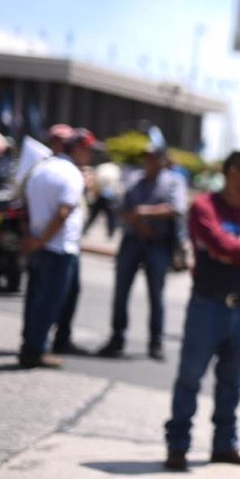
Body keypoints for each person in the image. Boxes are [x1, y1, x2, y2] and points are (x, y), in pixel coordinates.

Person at [163, 151, 240, 471]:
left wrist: (231, 252)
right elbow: (215, 242)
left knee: (233, 383)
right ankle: (178, 446)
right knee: (190, 378)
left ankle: (225, 445)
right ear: (232, 173)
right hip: (208, 306)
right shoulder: (204, 207)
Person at [18, 128, 100, 368]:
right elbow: (63, 212)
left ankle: (31, 345)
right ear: (77, 149)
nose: (91, 157)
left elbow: (22, 205)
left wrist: (31, 238)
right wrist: (42, 239)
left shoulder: (41, 168)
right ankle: (35, 351)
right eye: (88, 151)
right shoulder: (71, 174)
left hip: (41, 245)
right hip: (58, 249)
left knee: (35, 299)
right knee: (49, 303)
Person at [97, 144, 187, 361]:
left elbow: (176, 208)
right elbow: (119, 206)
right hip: (133, 240)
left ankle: (156, 342)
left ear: (163, 161)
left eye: (153, 158)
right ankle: (117, 337)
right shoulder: (133, 178)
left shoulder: (173, 181)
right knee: (121, 291)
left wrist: (145, 213)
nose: (148, 162)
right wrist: (137, 222)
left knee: (156, 295)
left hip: (158, 244)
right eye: (146, 158)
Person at [83, 159, 122, 238]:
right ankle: (110, 233)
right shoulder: (114, 169)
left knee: (97, 215)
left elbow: (97, 181)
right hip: (107, 195)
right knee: (109, 216)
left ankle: (85, 230)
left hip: (102, 194)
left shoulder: (103, 167)